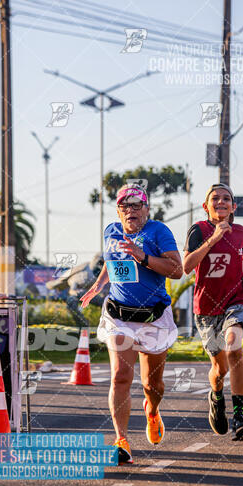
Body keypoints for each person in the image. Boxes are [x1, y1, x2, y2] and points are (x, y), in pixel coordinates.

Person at [80, 183, 182, 464]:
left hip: (153, 317)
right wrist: (98, 286)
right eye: (125, 205)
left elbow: (177, 270)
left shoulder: (158, 232)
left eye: (137, 205)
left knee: (153, 384)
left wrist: (144, 257)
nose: (130, 210)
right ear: (118, 210)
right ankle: (121, 440)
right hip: (119, 316)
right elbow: (111, 262)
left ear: (147, 208)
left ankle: (151, 409)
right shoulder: (111, 231)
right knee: (120, 377)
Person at [183, 183, 243, 441]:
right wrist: (213, 238)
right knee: (219, 369)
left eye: (226, 199)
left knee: (234, 346)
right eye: (215, 198)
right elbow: (187, 265)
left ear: (234, 207)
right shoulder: (198, 230)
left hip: (236, 299)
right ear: (206, 206)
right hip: (207, 308)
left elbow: (236, 251)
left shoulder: (241, 232)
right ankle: (216, 396)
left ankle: (240, 416)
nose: (220, 202)